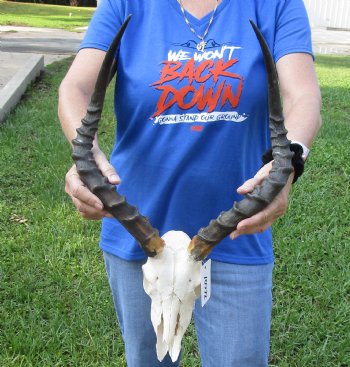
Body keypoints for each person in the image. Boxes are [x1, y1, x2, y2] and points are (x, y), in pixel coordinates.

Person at [58, 0, 321, 366]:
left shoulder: (276, 4)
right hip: (138, 234)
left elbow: (302, 95)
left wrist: (289, 162)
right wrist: (83, 156)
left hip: (236, 232)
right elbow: (76, 88)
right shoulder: (126, 3)